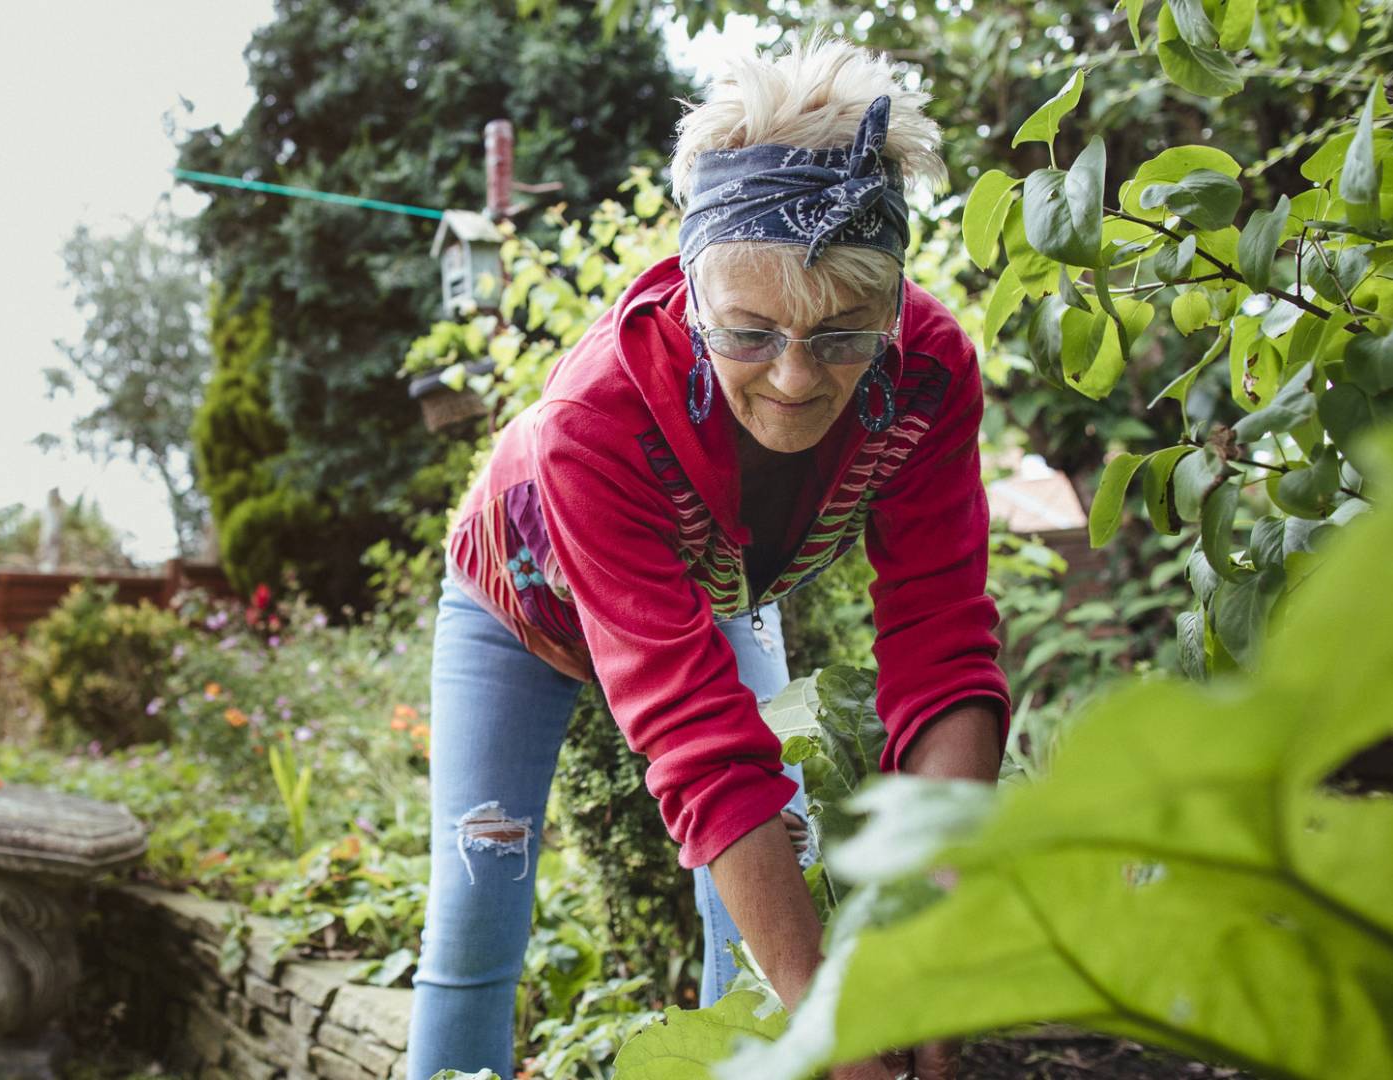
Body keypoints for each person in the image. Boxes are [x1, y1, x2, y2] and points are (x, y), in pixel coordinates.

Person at [406, 35, 1009, 1080]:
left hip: (716, 588)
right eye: (748, 333)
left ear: (892, 301)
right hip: (515, 613)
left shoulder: (928, 375)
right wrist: (833, 1019)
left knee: (773, 903)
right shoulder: (593, 418)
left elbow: (943, 645)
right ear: (692, 291)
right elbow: (697, 746)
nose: (792, 380)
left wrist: (934, 954)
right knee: (478, 910)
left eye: (841, 337)